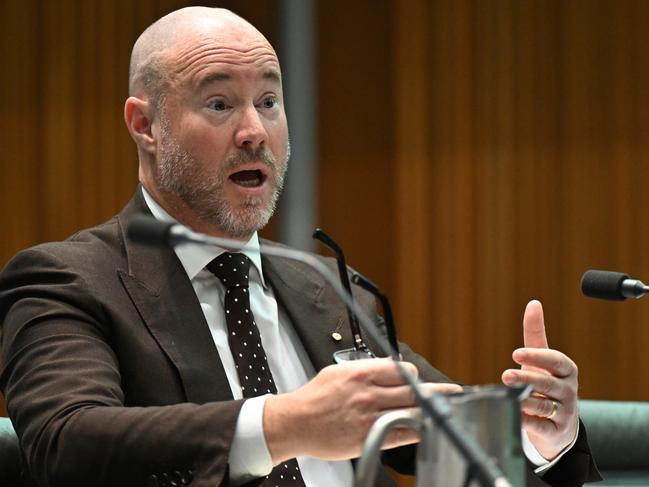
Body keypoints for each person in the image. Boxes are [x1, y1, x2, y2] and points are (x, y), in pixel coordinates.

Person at [0, 7, 599, 487]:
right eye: (218, 103)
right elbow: (64, 445)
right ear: (144, 124)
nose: (254, 131)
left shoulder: (321, 286)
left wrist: (540, 436)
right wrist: (282, 425)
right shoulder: (68, 279)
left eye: (268, 101)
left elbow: (440, 446)